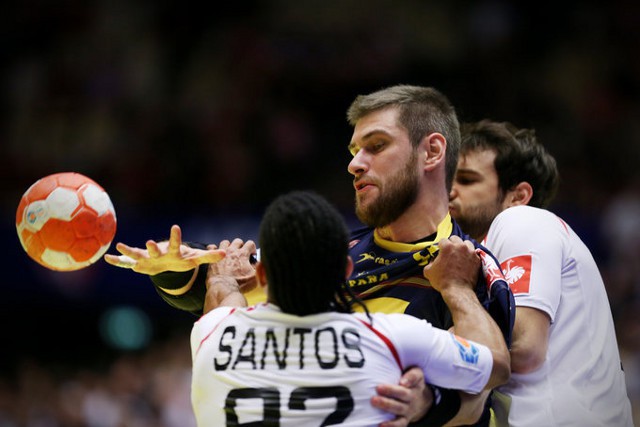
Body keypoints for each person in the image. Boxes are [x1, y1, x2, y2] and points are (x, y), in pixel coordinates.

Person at [105, 85, 515, 426]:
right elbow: (205, 297)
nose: (355, 164)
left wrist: (426, 403)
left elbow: (480, 392)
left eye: (376, 145)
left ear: (431, 152)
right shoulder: (329, 252)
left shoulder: (463, 266)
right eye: (354, 150)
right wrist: (172, 273)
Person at [189, 190, 510, 426]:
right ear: (346, 270)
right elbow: (495, 365)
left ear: (261, 274)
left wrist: (223, 279)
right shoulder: (390, 338)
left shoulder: (212, 334)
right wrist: (456, 287)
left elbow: (222, 300)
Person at [444, 119, 633, 426]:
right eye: (446, 179)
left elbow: (524, 350)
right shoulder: (488, 250)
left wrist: (426, 348)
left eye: (466, 180)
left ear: (518, 196)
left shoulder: (522, 221)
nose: (449, 191)